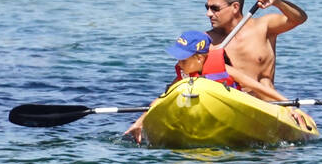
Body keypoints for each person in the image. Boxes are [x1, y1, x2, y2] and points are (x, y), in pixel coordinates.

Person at [123, 29, 288, 143]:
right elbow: (161, 99)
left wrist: (290, 107)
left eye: (184, 59)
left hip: (239, 110)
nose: (179, 64)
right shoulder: (183, 76)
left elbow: (258, 87)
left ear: (200, 59)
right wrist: (139, 122)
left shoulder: (223, 68)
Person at [203, 0, 306, 98]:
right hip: (230, 105)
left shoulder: (264, 27)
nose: (208, 14)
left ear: (235, 7)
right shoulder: (207, 40)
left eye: (215, 8)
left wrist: (277, 1)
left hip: (267, 105)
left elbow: (299, 19)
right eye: (207, 7)